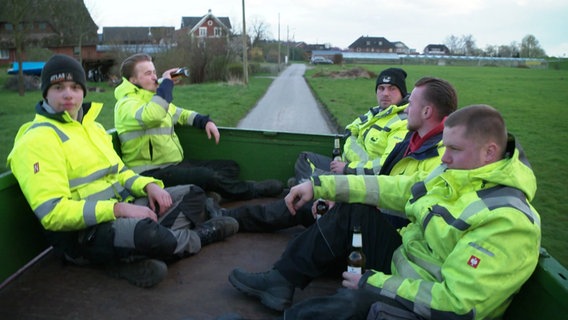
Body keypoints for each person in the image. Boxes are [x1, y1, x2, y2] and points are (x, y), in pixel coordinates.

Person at [228, 104, 541, 319]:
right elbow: (399, 188)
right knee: (354, 212)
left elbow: (458, 306)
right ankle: (280, 281)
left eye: (454, 149)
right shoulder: (457, 173)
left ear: (489, 151)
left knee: (354, 302)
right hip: (402, 263)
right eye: (444, 147)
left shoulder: (508, 221)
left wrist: (372, 283)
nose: (443, 157)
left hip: (429, 302)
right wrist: (320, 186)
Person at [7, 54, 239, 289]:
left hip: (125, 207)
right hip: (85, 233)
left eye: (75, 86)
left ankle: (139, 250)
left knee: (194, 194)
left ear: (83, 91)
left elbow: (120, 171)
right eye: (58, 87)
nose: (68, 94)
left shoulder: (92, 127)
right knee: (148, 235)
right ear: (45, 92)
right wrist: (118, 209)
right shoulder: (36, 140)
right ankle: (198, 236)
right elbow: (53, 213)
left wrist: (149, 186)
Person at [220, 76, 457, 232]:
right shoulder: (408, 135)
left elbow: (394, 187)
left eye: (408, 100)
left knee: (311, 208)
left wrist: (342, 181)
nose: (405, 106)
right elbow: (351, 136)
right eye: (381, 88)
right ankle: (237, 216)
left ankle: (235, 219)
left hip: (380, 216)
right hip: (365, 192)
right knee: (307, 169)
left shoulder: (431, 148)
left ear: (426, 111)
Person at [113, 53, 283, 202]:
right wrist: (165, 84)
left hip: (173, 165)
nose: (154, 77)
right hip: (150, 173)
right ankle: (251, 191)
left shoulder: (152, 98)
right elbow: (154, 115)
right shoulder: (126, 104)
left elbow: (181, 114)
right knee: (207, 176)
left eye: (155, 73)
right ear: (132, 80)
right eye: (148, 73)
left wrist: (204, 121)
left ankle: (214, 195)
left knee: (229, 167)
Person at [293, 68, 409, 184]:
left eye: (392, 89)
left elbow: (384, 166)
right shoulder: (377, 112)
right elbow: (353, 127)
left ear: (402, 93)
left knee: (311, 180)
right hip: (346, 167)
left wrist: (346, 168)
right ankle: (310, 186)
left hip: (363, 180)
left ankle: (313, 189)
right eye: (381, 88)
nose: (385, 93)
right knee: (306, 158)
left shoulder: (403, 124)